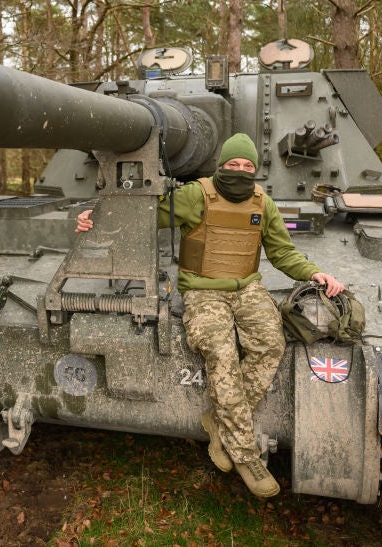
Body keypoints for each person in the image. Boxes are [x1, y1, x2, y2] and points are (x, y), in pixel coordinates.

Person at [75, 132, 344, 499]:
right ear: (221, 166)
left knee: (270, 345)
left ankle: (219, 421)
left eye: (247, 166)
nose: (240, 171)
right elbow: (144, 216)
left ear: (256, 170)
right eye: (232, 164)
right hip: (202, 289)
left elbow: (282, 253)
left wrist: (314, 273)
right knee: (221, 352)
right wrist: (96, 216)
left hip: (247, 288)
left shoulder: (263, 204)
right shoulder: (196, 195)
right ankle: (245, 454)